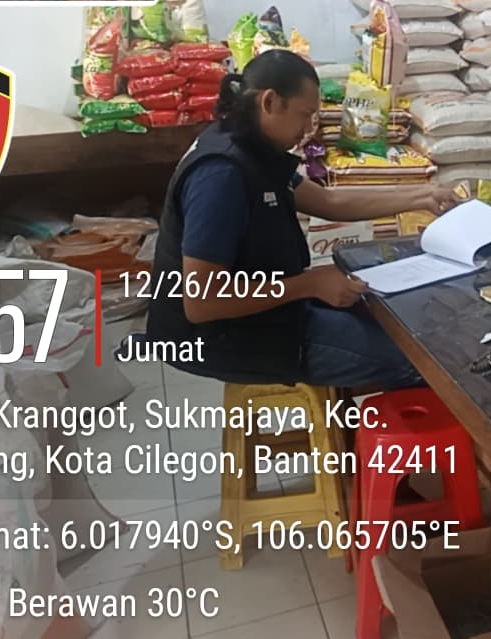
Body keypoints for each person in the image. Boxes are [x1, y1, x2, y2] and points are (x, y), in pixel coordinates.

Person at [146, 50, 461, 389]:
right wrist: (310, 284)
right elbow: (202, 302)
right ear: (270, 102)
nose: (309, 127)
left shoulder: (250, 145)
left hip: (267, 309)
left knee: (400, 324)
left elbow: (328, 200)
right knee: (424, 365)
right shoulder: (222, 175)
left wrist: (422, 196)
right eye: (305, 114)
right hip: (220, 337)